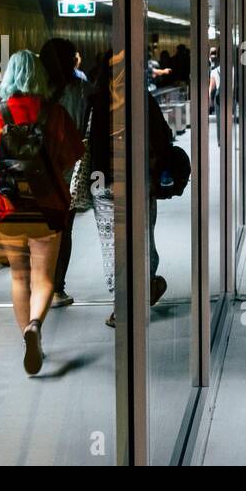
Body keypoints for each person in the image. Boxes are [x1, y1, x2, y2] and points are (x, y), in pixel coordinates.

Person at [0, 50, 83, 375]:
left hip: (6, 208)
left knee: (19, 276)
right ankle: (35, 325)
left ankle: (28, 338)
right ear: (40, 77)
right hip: (48, 208)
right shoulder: (55, 113)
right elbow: (72, 154)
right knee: (44, 277)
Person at [86, 51, 173, 328]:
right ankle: (147, 283)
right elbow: (164, 137)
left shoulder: (95, 101)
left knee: (112, 245)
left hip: (104, 184)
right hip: (137, 181)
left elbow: (86, 140)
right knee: (143, 236)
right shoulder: (142, 99)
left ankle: (120, 306)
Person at [41, 38, 91, 309]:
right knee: (64, 229)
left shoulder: (37, 90)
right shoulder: (82, 90)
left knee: (41, 230)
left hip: (39, 170)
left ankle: (40, 284)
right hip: (69, 167)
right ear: (72, 61)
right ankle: (57, 288)